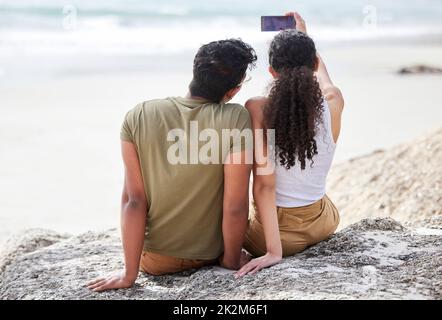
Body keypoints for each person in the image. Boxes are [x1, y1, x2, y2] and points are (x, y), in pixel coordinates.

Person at [87, 39, 257, 291]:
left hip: (154, 260)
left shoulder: (139, 115)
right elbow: (235, 205)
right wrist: (231, 260)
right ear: (233, 90)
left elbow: (133, 201)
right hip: (208, 254)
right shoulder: (235, 117)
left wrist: (128, 274)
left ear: (195, 71)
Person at [236, 12, 344, 277]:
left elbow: (264, 185)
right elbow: (324, 80)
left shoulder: (257, 109)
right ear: (315, 62)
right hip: (324, 221)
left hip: (277, 235)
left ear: (271, 71)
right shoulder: (334, 103)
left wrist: (274, 251)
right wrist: (303, 35)